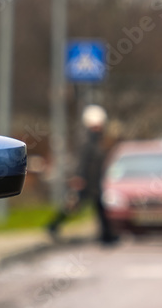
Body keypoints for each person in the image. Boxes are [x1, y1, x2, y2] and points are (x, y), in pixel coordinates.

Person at [47, 104, 115, 243]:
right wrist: (79, 178)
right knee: (73, 206)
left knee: (99, 208)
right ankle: (52, 226)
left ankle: (106, 235)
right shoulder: (88, 142)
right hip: (87, 183)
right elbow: (82, 161)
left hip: (94, 183)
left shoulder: (97, 141)